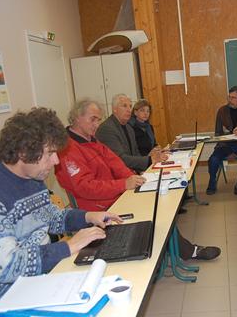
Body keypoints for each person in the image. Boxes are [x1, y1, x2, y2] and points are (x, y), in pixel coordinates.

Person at [0, 108, 120, 315]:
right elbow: (6, 267)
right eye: (50, 153)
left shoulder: (32, 177)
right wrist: (68, 247)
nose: (56, 161)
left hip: (36, 280)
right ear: (24, 152)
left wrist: (87, 217)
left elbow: (51, 218)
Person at [55, 100, 221, 261]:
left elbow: (115, 163)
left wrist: (134, 178)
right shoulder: (67, 149)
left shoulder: (91, 140)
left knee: (156, 205)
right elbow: (85, 187)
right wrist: (123, 184)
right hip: (98, 210)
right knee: (151, 211)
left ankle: (173, 251)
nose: (96, 124)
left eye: (98, 119)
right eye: (93, 119)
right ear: (77, 117)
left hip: (114, 197)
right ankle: (186, 251)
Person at [96, 94, 168, 173]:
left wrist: (149, 160)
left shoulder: (129, 128)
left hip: (133, 173)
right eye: (124, 106)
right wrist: (149, 160)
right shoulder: (107, 129)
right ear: (114, 109)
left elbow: (135, 153)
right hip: (118, 177)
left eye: (130, 106)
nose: (129, 109)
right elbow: (120, 159)